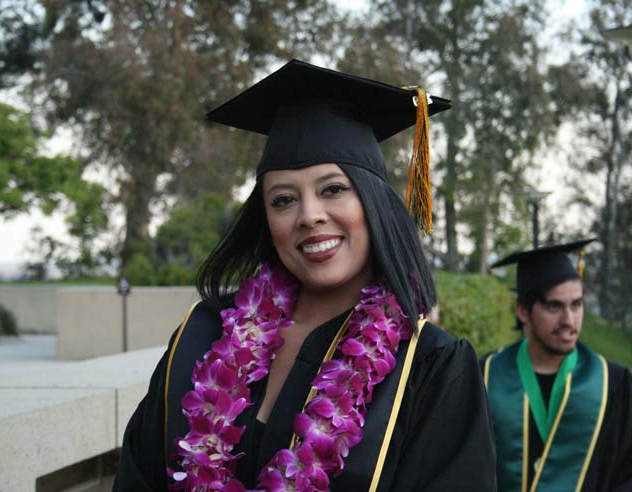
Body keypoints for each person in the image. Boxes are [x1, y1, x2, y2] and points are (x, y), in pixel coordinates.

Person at [113, 59, 496, 492]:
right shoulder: (201, 334)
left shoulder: (430, 365)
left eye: (333, 189)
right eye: (283, 200)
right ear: (266, 219)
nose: (309, 216)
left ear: (374, 205)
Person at [483, 239, 632, 492]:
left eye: (576, 304)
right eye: (554, 306)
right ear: (523, 311)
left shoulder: (615, 385)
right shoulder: (483, 377)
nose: (569, 320)